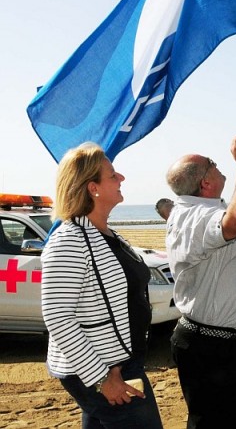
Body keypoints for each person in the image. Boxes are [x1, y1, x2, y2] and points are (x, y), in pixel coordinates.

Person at [41, 142, 162, 428]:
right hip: (104, 370)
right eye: (112, 175)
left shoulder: (106, 234)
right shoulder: (69, 240)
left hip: (120, 362)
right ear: (92, 188)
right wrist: (101, 378)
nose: (121, 178)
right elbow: (57, 316)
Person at [165, 135, 236, 429]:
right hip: (211, 348)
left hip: (220, 346)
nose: (218, 165)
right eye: (212, 164)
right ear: (205, 183)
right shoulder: (195, 215)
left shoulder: (199, 211)